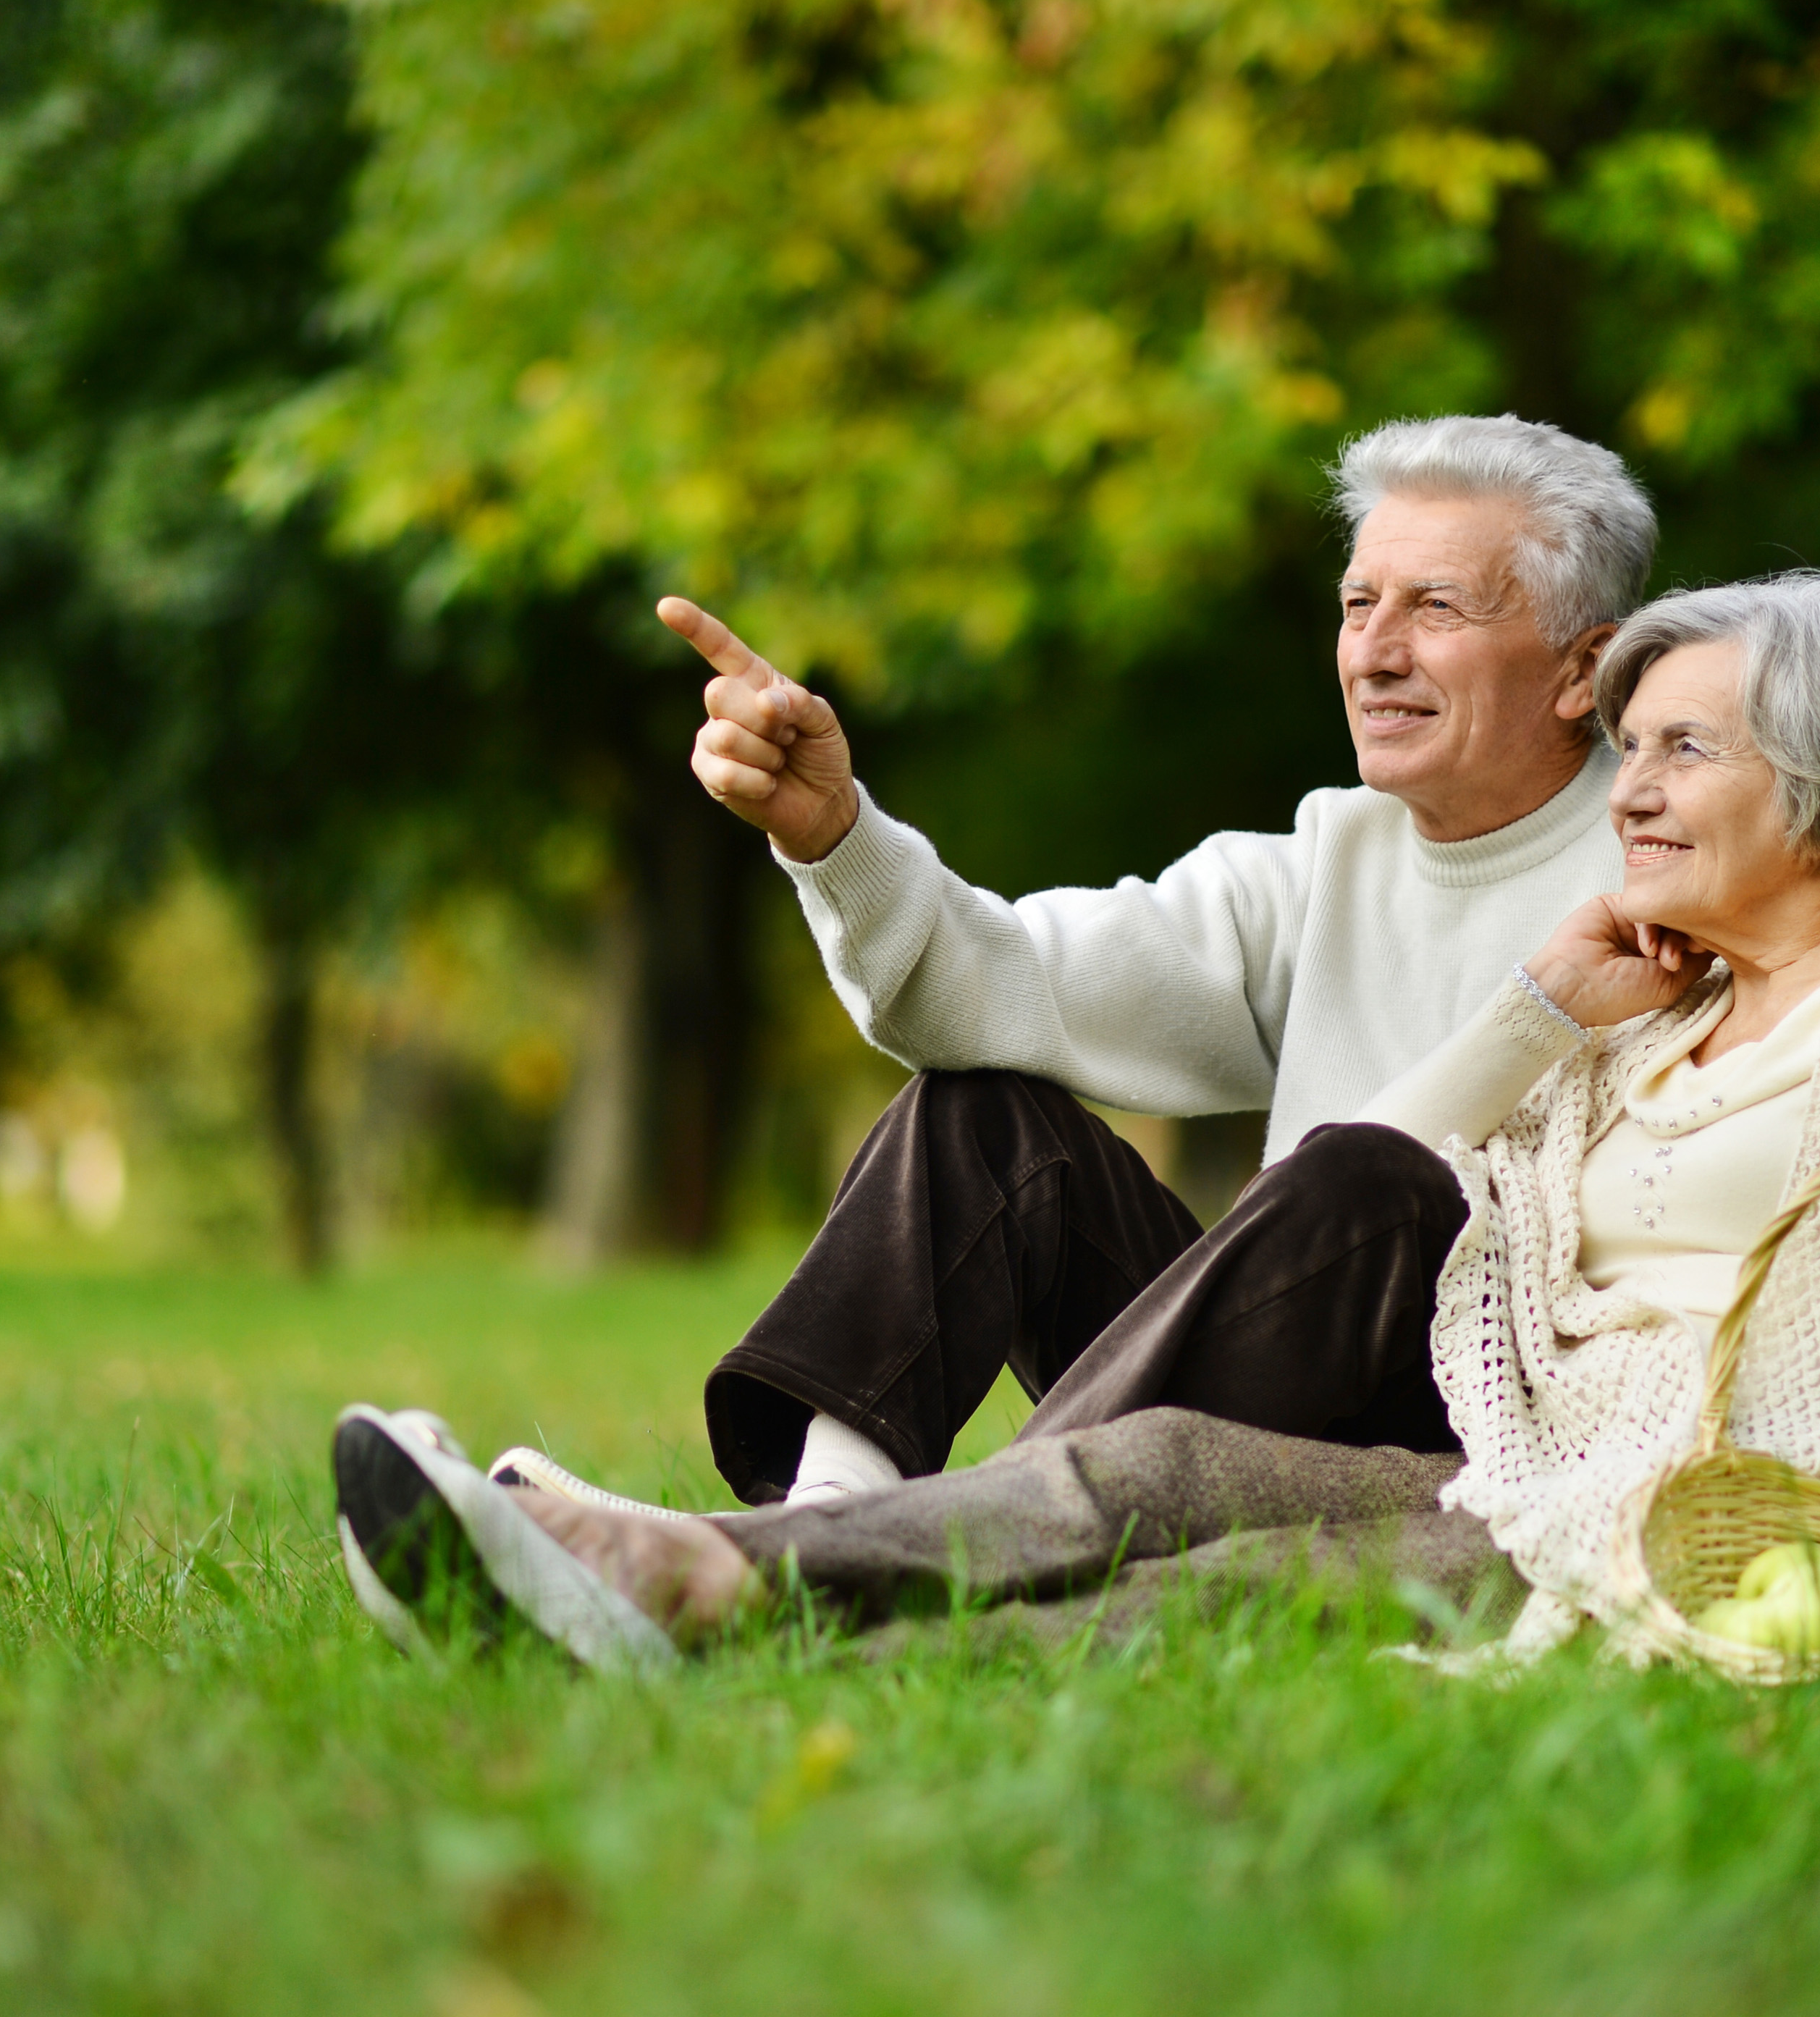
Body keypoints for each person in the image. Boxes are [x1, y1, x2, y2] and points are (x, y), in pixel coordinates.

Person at [332, 570, 1820, 1717]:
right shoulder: (1582, 965)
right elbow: (1095, 1037)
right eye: (1635, 749)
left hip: (1648, 1502)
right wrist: (845, 840)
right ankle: (720, 1558)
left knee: (1242, 1556)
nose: (1640, 789)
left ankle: (702, 1597)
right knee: (1130, 1435)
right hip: (1505, 1443)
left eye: (1683, 750)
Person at [543, 413, 1658, 1512]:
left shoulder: (1673, 873)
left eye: (1437, 608)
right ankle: (830, 1511)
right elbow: (991, 987)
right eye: (1359, 604)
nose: (1375, 651)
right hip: (1273, 1386)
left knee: (1367, 1179)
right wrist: (834, 836)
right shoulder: (1326, 858)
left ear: (1583, 671)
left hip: (1496, 1431)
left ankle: (913, 1545)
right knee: (977, 1113)